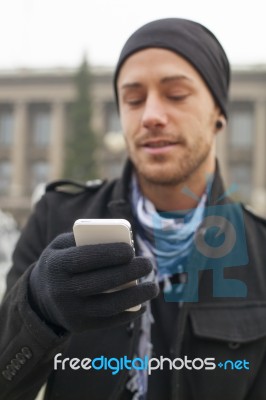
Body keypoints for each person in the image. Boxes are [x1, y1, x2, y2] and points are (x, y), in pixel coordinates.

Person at [1, 18, 266, 400]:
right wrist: (36, 312)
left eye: (176, 95)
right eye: (133, 99)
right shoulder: (56, 221)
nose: (151, 116)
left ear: (219, 113)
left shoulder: (258, 250)